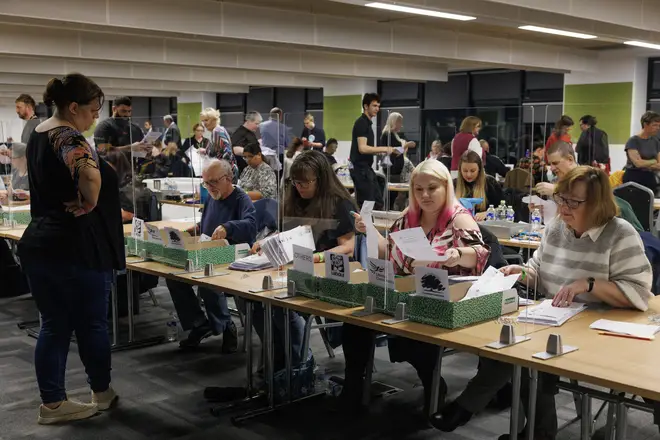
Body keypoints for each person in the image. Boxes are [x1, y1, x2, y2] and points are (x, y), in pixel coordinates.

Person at [448, 166, 653, 440]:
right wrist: (521, 272)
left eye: (573, 202)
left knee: (529, 355)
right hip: (557, 318)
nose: (563, 208)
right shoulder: (557, 227)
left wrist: (589, 284)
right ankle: (531, 428)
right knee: (511, 346)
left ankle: (471, 408)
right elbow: (540, 274)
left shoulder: (620, 233)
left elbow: (639, 292)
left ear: (596, 204)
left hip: (598, 327)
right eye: (560, 199)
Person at [340, 160, 490, 416]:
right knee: (353, 324)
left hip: (442, 301)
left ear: (446, 187)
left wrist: (457, 254)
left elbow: (479, 255)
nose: (425, 195)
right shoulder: (407, 218)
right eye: (419, 190)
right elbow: (387, 253)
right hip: (406, 295)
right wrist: (370, 231)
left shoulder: (459, 219)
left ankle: (434, 386)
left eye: (432, 188)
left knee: (416, 334)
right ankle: (353, 386)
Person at [17, 73, 123, 424]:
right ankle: (100, 392)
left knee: (54, 324)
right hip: (73, 244)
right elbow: (90, 174)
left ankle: (53, 401)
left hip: (42, 241)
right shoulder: (66, 133)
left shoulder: (38, 132)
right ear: (73, 107)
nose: (95, 118)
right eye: (92, 111)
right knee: (92, 324)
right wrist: (90, 201)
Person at [251, 150, 356, 370]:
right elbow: (288, 232)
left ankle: (298, 365)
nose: (299, 187)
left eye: (305, 183)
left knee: (282, 305)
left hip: (328, 273)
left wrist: (315, 257)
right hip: (296, 269)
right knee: (255, 302)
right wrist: (268, 240)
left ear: (321, 179)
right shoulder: (294, 200)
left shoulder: (340, 203)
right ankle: (278, 365)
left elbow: (348, 247)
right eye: (295, 182)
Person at [165, 159, 256, 350]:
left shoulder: (241, 198)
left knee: (207, 277)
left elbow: (251, 226)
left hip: (233, 255)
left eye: (213, 182)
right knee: (173, 277)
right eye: (206, 182)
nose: (209, 187)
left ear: (228, 178)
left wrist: (228, 227)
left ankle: (225, 325)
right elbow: (206, 225)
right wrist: (193, 230)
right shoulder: (211, 197)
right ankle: (198, 323)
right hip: (208, 251)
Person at [534, 141, 643, 231]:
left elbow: (594, 209)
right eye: (550, 164)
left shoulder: (592, 178)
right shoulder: (555, 181)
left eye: (555, 163)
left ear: (570, 159)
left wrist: (557, 190)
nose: (552, 168)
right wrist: (541, 211)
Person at [349, 93, 397, 210]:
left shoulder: (367, 124)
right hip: (360, 169)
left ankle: (371, 226)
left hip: (365, 169)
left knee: (377, 201)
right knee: (368, 203)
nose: (377, 109)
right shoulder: (361, 123)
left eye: (378, 106)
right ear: (366, 106)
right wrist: (385, 149)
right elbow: (363, 148)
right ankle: (364, 226)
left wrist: (381, 151)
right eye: (374, 106)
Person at [455, 150, 503, 220]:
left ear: (479, 170)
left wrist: (487, 213)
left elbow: (502, 208)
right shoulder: (454, 184)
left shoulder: (491, 183)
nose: (468, 174)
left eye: (472, 171)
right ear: (460, 170)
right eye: (465, 171)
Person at [623, 111, 660, 193]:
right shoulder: (633, 141)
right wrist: (653, 161)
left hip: (650, 178)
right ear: (645, 125)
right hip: (633, 178)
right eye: (654, 125)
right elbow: (638, 163)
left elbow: (659, 164)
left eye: (658, 125)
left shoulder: (655, 141)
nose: (658, 128)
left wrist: (646, 164)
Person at [199, 107, 238, 182]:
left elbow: (227, 152)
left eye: (206, 120)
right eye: (203, 121)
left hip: (225, 173)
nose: (204, 123)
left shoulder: (217, 131)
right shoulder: (217, 130)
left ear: (214, 119)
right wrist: (205, 151)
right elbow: (219, 151)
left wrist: (220, 170)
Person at [231, 111, 261, 175]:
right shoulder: (240, 133)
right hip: (244, 170)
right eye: (256, 124)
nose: (258, 126)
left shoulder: (249, 132)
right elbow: (236, 150)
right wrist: (253, 153)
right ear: (249, 121)